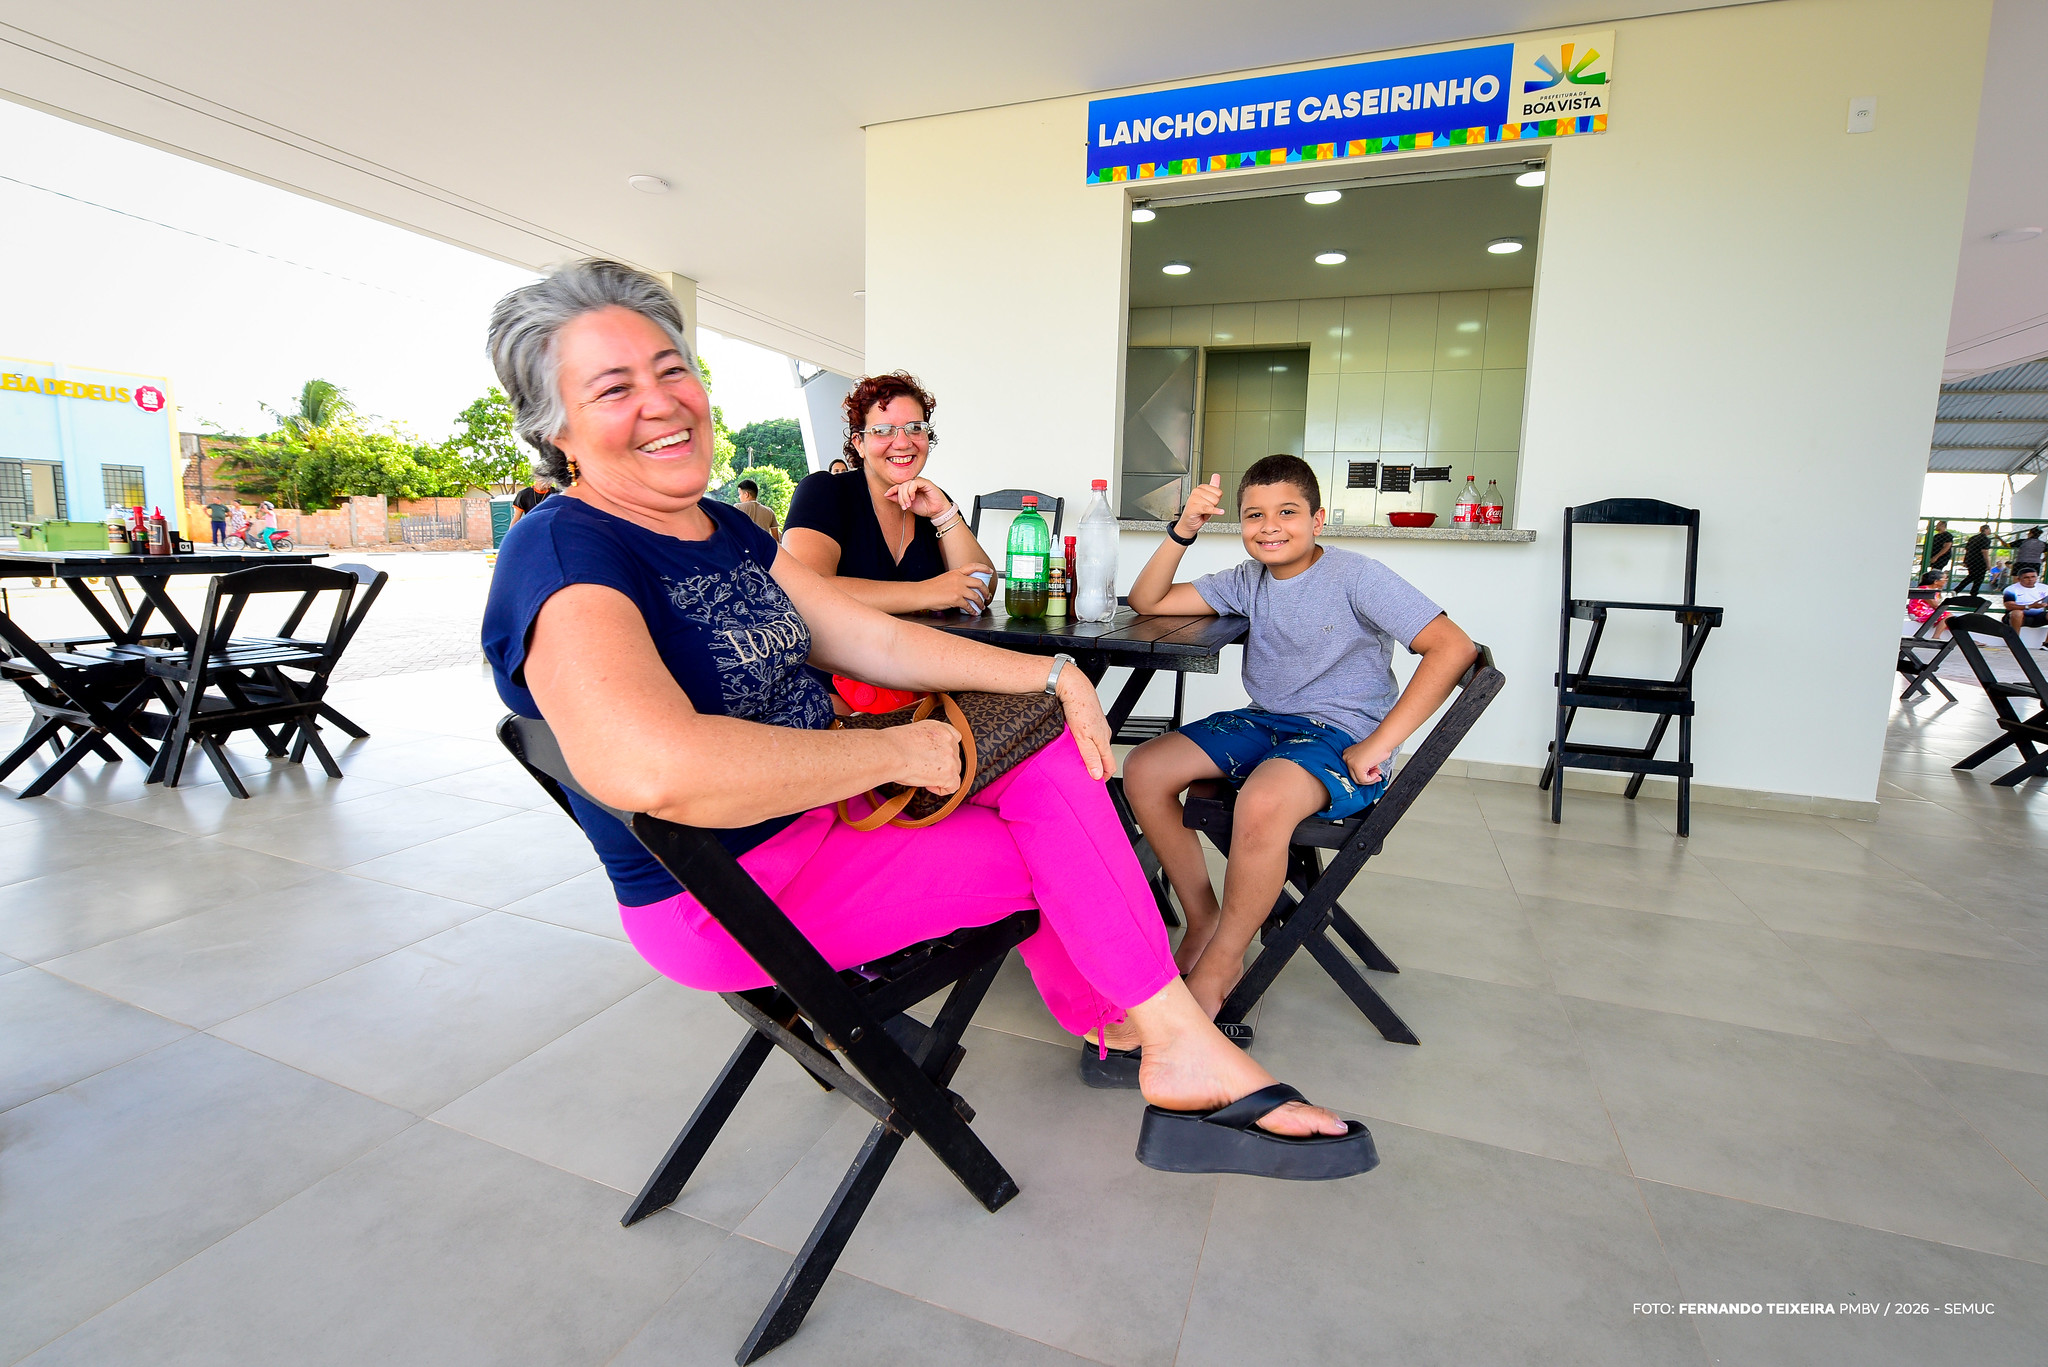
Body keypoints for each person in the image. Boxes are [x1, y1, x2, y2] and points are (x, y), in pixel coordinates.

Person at [479, 260, 1364, 1170]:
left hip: (818, 825)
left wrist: (1053, 672)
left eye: (672, 369)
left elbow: (872, 640)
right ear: (556, 427)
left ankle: (1155, 1031)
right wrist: (893, 751)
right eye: (614, 386)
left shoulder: (724, 526)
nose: (663, 402)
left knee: (1053, 765)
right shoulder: (563, 548)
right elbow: (653, 768)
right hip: (733, 894)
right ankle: (1147, 1030)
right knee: (1063, 839)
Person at [1122, 459, 1477, 1020]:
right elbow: (1149, 601)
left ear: (1319, 518)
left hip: (1340, 735)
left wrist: (1380, 744)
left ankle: (1223, 961)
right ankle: (1204, 917)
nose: (1270, 526)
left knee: (1263, 801)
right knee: (1144, 769)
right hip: (1270, 722)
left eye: (1287, 513)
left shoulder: (1357, 576)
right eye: (1253, 515)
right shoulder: (1247, 579)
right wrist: (1183, 528)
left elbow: (1454, 648)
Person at [781, 372, 997, 615]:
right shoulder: (824, 491)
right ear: (859, 443)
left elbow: (982, 589)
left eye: (915, 428)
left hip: (923, 650)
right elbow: (805, 590)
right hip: (846, 653)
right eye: (883, 430)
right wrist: (926, 592)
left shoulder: (933, 500)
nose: (903, 442)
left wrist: (943, 514)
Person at [2005, 564, 2048, 636]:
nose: (2030, 579)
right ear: (2019, 579)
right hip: (2017, 616)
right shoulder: (2011, 589)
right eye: (2026, 577)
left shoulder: (2045, 588)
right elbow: (2009, 606)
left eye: (2033, 577)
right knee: (2017, 613)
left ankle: (2046, 644)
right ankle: (2015, 640)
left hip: (2039, 615)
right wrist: (2030, 606)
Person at [1957, 524, 1993, 598]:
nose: (1990, 531)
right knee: (1979, 577)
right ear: (1986, 530)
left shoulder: (1973, 538)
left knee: (1972, 576)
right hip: (1980, 561)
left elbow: (1967, 550)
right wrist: (1988, 564)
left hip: (1971, 560)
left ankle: (1959, 590)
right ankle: (1972, 592)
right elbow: (1985, 552)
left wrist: (1965, 560)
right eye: (1989, 529)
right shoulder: (1986, 539)